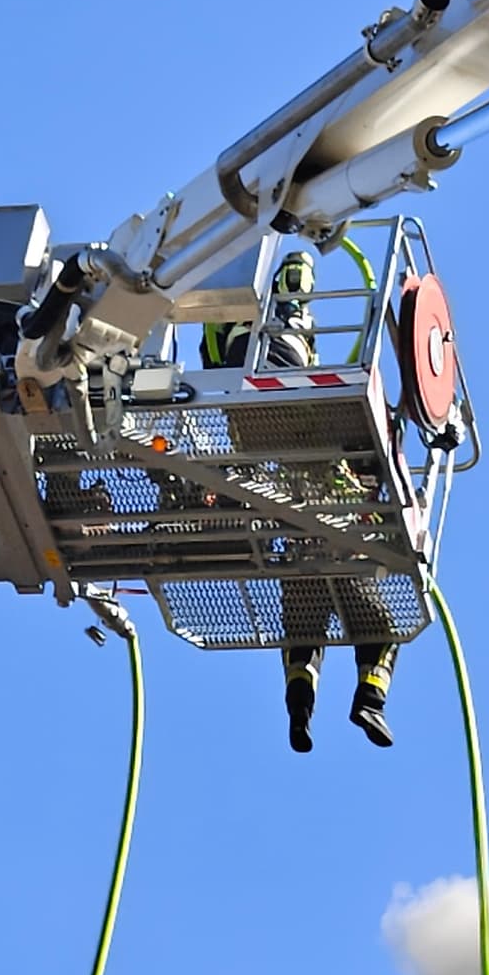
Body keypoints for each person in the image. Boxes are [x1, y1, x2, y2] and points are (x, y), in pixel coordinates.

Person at [199, 246, 397, 753]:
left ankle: (301, 709)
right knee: (377, 627)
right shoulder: (284, 329)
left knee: (303, 629)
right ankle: (365, 702)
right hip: (336, 542)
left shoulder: (221, 321)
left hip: (291, 518)